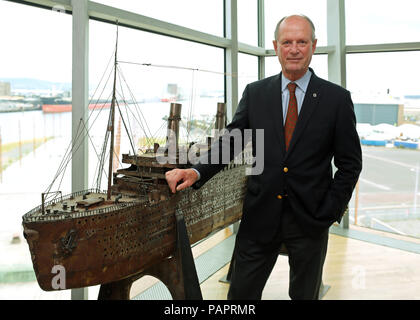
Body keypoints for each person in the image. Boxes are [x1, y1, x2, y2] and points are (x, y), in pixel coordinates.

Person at [165, 14, 362, 300]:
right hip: (259, 219)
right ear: (276, 46)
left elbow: (350, 164)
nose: (294, 49)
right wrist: (195, 172)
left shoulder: (337, 99)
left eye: (302, 42)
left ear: (314, 46)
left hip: (310, 222)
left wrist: (330, 210)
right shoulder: (256, 93)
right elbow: (232, 142)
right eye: (287, 42)